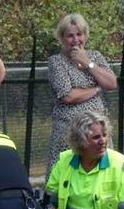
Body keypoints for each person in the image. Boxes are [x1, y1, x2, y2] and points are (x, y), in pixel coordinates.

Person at [45, 13, 117, 174]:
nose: (76, 40)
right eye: (70, 35)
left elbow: (111, 83)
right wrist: (97, 89)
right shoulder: (56, 62)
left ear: (85, 35)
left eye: (79, 34)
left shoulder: (95, 56)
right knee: (67, 173)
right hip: (69, 131)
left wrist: (88, 63)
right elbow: (68, 95)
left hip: (98, 131)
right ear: (62, 38)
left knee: (102, 173)